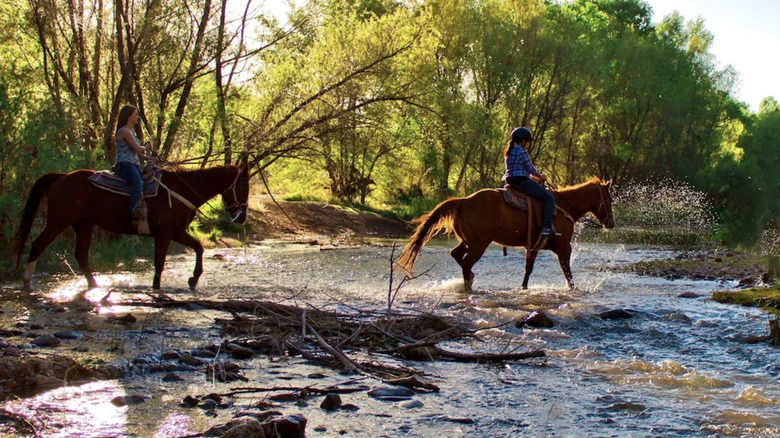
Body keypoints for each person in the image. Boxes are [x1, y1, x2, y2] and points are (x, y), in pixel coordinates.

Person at [503, 127, 555, 236]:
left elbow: (519, 171)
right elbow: (530, 168)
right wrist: (541, 176)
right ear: (523, 140)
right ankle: (546, 227)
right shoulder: (521, 151)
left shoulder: (509, 151)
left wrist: (536, 179)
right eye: (528, 141)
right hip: (521, 181)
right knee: (549, 198)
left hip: (510, 181)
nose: (529, 144)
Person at [114, 105, 148, 221]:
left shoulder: (131, 132)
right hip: (125, 164)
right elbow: (138, 148)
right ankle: (133, 210)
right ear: (129, 117)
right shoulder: (124, 131)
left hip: (134, 163)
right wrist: (147, 147)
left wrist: (148, 158)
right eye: (136, 114)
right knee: (137, 182)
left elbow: (135, 151)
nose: (138, 117)